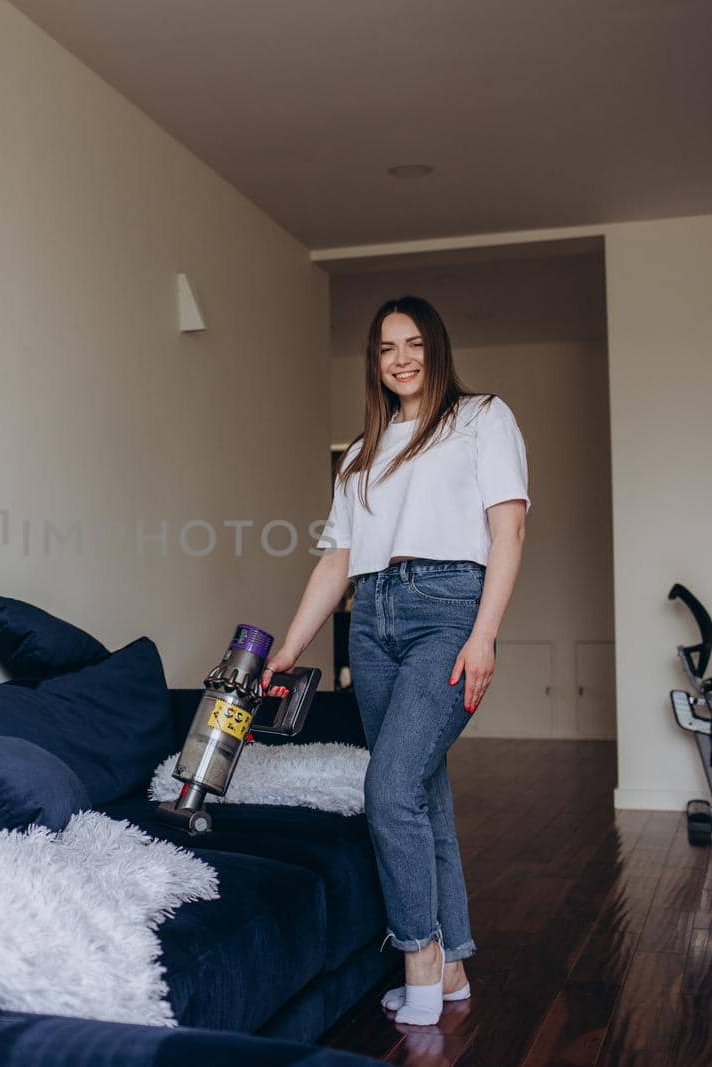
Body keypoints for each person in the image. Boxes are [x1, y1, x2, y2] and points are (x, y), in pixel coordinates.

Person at [260, 295, 528, 1026]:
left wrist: (485, 634)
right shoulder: (358, 452)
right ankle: (455, 967)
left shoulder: (481, 418)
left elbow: (508, 532)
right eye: (386, 348)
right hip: (372, 621)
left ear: (435, 348)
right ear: (374, 362)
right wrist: (289, 647)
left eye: (413, 343)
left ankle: (419, 964)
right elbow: (336, 560)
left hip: (448, 610)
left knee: (387, 785)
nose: (401, 358)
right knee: (419, 790)